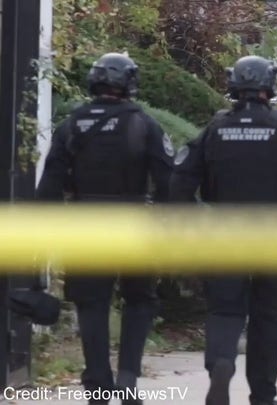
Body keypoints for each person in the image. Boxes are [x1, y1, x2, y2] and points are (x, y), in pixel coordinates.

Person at [168, 55, 277, 405]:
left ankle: (222, 363)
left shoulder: (216, 129)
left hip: (225, 235)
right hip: (275, 237)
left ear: (233, 85)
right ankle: (263, 396)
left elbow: (179, 182)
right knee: (267, 315)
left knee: (225, 310)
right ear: (269, 86)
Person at [36, 52, 174, 405]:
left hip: (86, 225)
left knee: (91, 304)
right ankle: (128, 380)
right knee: (140, 300)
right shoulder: (145, 125)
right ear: (130, 83)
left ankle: (97, 384)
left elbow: (49, 187)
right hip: (135, 224)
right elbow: (168, 183)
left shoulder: (72, 125)